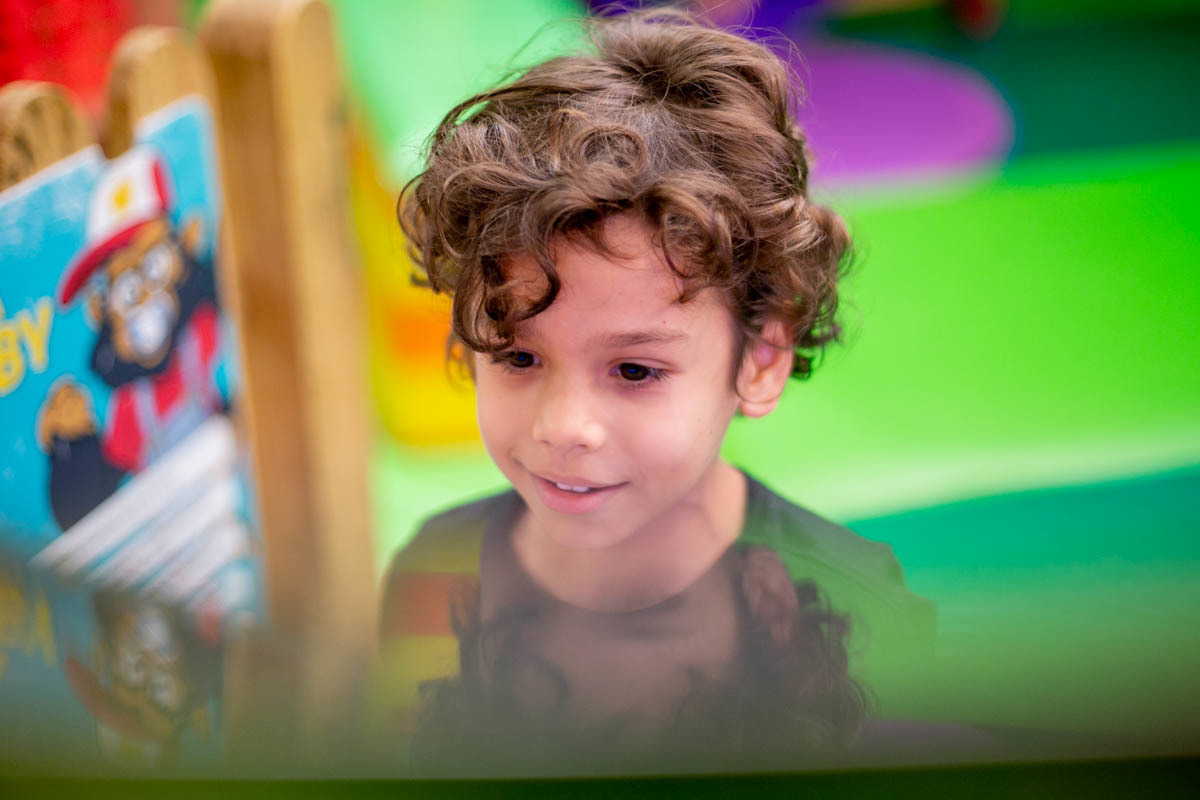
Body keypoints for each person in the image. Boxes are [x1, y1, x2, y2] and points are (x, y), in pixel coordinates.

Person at [381, 8, 935, 776]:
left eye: (635, 371)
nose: (565, 427)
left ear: (762, 357)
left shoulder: (856, 603)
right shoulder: (433, 570)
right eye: (517, 356)